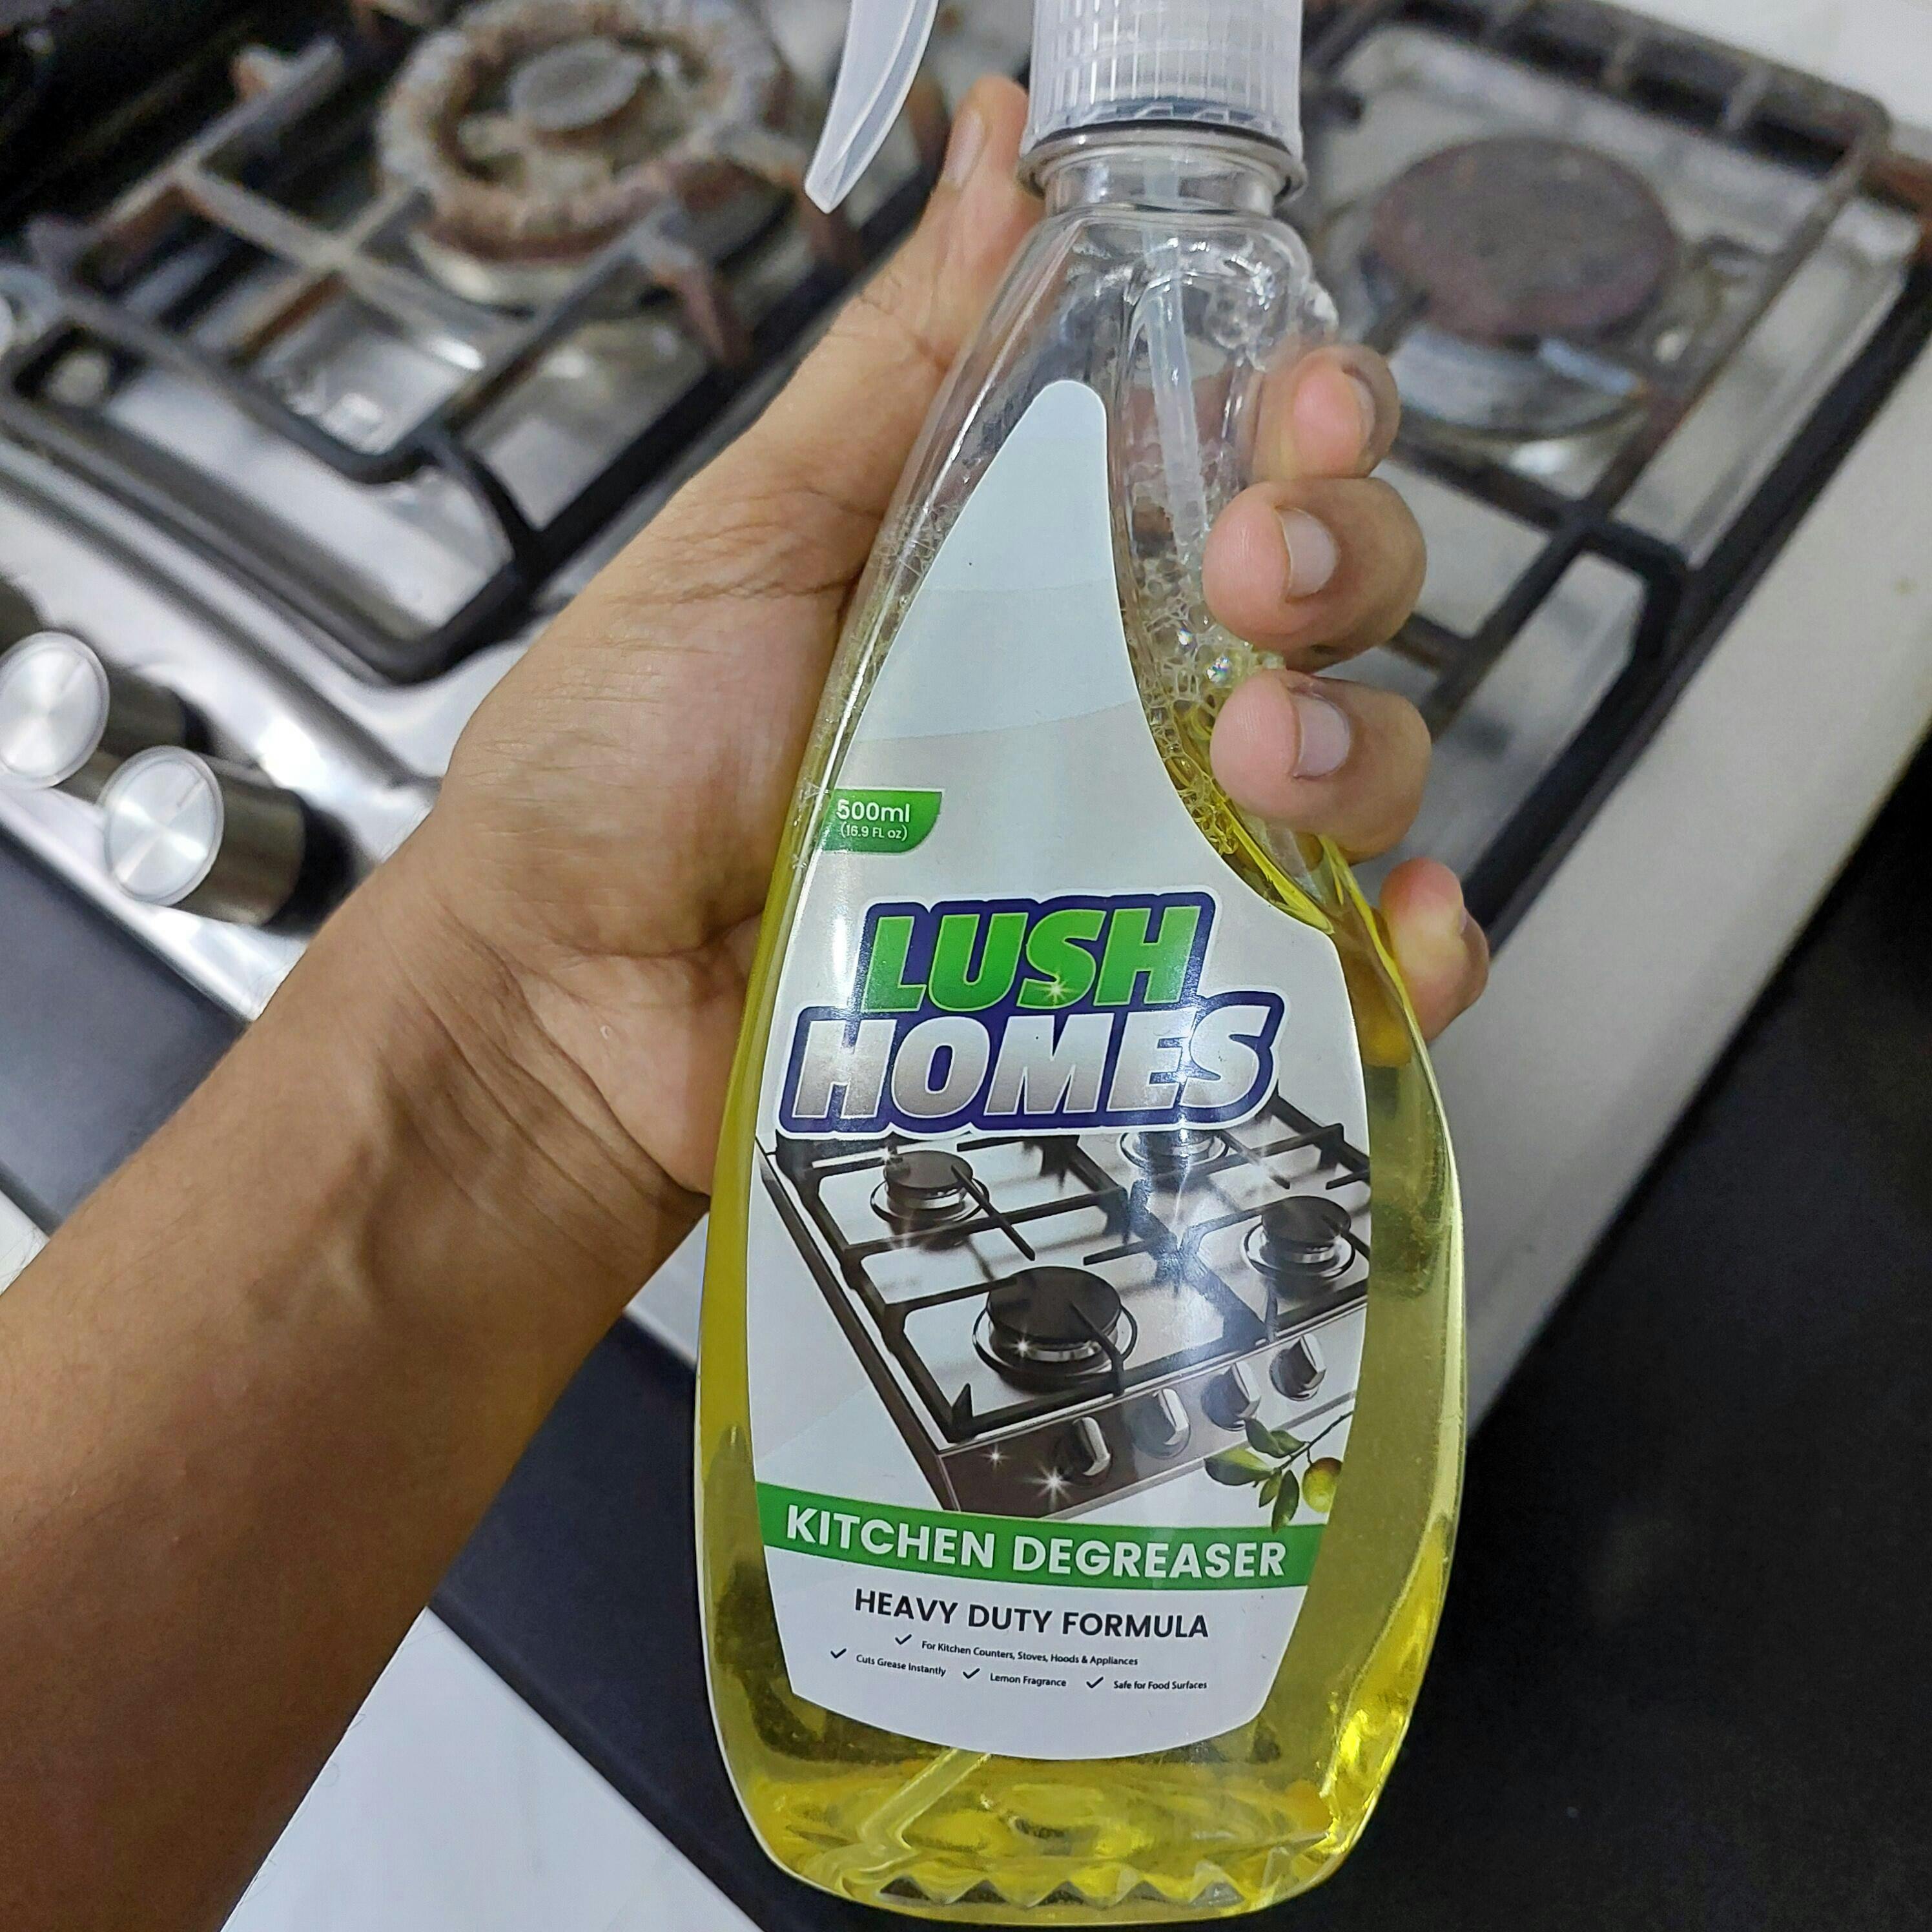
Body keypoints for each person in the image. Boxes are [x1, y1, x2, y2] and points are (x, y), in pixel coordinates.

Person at [0, 79, 1487, 1932]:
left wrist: (512, 1052)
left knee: (1262, 706)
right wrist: (510, 1019)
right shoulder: (1032, 297)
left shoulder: (1214, 325)